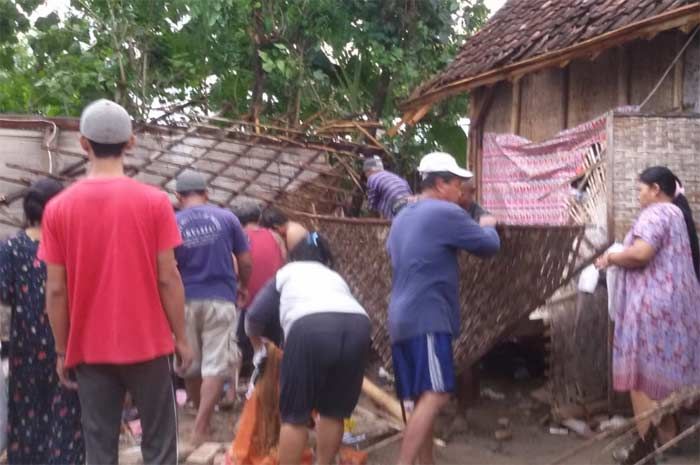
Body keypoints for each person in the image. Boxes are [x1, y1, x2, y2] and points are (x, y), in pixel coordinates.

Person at [39, 99, 193, 465]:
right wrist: (182, 339)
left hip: (90, 351)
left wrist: (63, 349)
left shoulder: (58, 208)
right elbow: (168, 278)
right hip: (150, 348)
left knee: (100, 448)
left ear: (83, 144)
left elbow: (56, 289)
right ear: (131, 143)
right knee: (159, 447)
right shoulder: (155, 203)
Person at [387, 152, 501, 465]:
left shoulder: (402, 218)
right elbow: (488, 246)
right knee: (437, 393)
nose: (461, 191)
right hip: (427, 316)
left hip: (400, 317)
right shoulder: (443, 212)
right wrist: (489, 225)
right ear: (440, 184)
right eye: (457, 184)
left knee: (422, 396)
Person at [596, 166, 700, 465]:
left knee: (640, 378)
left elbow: (641, 253)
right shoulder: (678, 215)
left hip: (651, 308)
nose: (639, 195)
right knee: (660, 379)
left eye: (641, 189)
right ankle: (668, 441)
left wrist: (610, 258)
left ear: (656, 189)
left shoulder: (655, 213)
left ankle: (646, 449)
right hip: (675, 308)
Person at [245, 232, 371, 465]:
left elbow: (254, 317)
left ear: (294, 256)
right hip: (359, 326)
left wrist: (258, 349)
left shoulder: (287, 272)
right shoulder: (335, 277)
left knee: (295, 417)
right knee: (334, 411)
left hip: (310, 327)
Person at [0, 178, 84, 465]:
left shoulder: (11, 247)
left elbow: (5, 294)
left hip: (25, 346)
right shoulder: (70, 247)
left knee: (27, 414)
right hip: (67, 341)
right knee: (67, 412)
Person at [174, 171, 252, 446]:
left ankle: (200, 418)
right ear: (206, 193)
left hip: (183, 300)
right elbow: (244, 260)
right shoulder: (227, 218)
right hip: (220, 298)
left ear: (178, 197)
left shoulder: (172, 222)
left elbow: (164, 267)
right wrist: (243, 286)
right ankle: (201, 425)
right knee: (216, 364)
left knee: (191, 365)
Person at [230, 200, 286, 374]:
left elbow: (235, 269)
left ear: (238, 222)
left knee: (237, 344)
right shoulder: (274, 236)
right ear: (259, 218)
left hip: (249, 303)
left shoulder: (237, 239)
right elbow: (284, 262)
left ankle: (237, 383)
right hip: (276, 300)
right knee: (276, 345)